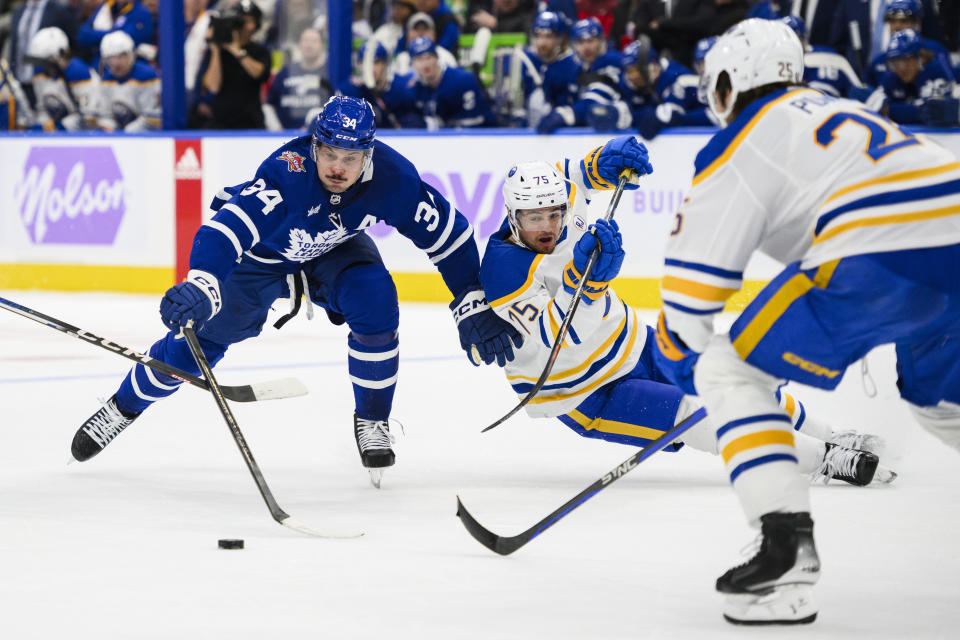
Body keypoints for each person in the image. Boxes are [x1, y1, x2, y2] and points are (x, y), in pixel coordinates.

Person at [653, 18, 960, 625]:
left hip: (878, 255)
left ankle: (785, 552)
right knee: (939, 402)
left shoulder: (740, 141)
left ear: (731, 79)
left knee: (727, 371)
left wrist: (675, 361)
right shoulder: (842, 111)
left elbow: (689, 304)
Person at [70, 95, 521, 489]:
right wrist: (204, 283)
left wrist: (470, 299)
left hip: (333, 250)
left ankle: (373, 421)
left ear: (369, 154)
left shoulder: (393, 178)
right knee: (195, 350)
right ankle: (122, 408)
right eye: (329, 154)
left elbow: (450, 235)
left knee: (377, 300)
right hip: (261, 260)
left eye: (350, 157)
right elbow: (225, 230)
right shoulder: (287, 175)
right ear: (313, 145)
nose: (338, 167)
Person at [480, 138, 893, 491]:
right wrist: (588, 285)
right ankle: (825, 459)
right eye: (535, 219)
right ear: (512, 217)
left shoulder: (557, 198)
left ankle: (832, 435)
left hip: (633, 344)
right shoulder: (503, 271)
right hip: (581, 391)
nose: (548, 227)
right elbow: (559, 337)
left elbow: (578, 173)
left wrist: (603, 159)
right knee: (698, 415)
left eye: (555, 215)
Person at [194, 0, 271, 129]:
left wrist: (236, 50)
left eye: (248, 21)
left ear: (256, 25)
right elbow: (213, 87)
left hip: (251, 122)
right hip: (220, 123)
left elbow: (260, 74)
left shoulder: (260, 50)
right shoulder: (217, 52)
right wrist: (216, 50)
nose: (243, 26)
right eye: (240, 21)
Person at [408, 36, 495, 128]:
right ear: (413, 64)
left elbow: (473, 124)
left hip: (484, 134)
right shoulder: (418, 87)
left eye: (428, 57)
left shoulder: (462, 80)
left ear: (437, 58)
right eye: (419, 59)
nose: (425, 64)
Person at [25, 26, 100, 131]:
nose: (43, 66)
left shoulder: (79, 73)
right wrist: (43, 124)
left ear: (61, 55)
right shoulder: (39, 72)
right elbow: (43, 108)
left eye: (46, 60)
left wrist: (59, 127)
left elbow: (88, 117)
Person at [263, 27, 332, 131]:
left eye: (314, 41)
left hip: (319, 138)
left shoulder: (330, 74)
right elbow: (268, 106)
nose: (309, 45)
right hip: (285, 137)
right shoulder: (285, 72)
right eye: (306, 40)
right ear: (300, 44)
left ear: (322, 45)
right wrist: (277, 130)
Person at [96, 30, 159, 131]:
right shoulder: (106, 80)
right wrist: (108, 128)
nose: (117, 63)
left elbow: (153, 119)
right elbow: (106, 115)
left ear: (131, 55)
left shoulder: (146, 76)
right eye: (111, 58)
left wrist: (126, 134)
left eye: (121, 57)